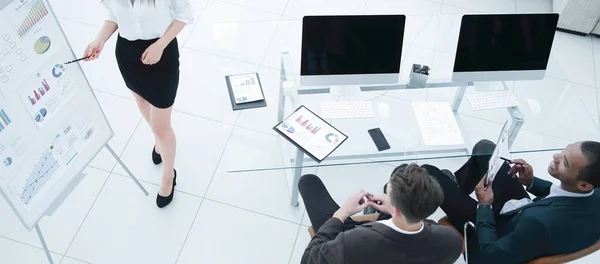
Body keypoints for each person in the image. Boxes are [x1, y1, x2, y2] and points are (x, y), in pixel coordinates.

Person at [85, 0, 193, 208]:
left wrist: (161, 45)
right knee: (142, 102)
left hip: (161, 53)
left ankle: (168, 176)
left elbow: (184, 15)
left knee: (162, 126)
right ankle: (158, 141)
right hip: (128, 56)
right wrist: (99, 40)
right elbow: (114, 14)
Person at [424, 139, 600, 264]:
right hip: (522, 212)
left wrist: (484, 205)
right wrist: (531, 182)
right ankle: (456, 191)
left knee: (426, 173)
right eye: (564, 151)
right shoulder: (594, 191)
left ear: (584, 184)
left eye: (565, 163)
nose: (556, 156)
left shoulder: (538, 223)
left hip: (492, 233)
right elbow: (563, 195)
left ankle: (407, 220)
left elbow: (489, 256)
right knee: (485, 148)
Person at [298, 164, 463, 264]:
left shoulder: (353, 241)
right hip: (399, 239)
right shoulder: (452, 240)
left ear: (397, 210)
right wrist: (390, 209)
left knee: (308, 181)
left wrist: (341, 213)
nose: (384, 195)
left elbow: (308, 260)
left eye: (387, 194)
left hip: (362, 244)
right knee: (402, 169)